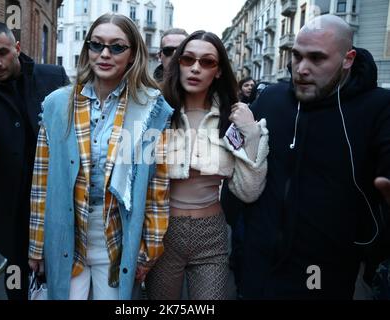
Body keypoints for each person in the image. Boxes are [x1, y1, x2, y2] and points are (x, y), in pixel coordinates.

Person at [221, 14, 390, 299]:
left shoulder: (377, 108)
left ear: (347, 59)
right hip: (256, 264)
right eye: (296, 56)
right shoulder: (272, 99)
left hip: (323, 271)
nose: (301, 68)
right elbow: (239, 161)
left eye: (317, 58)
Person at [28, 13, 173, 300]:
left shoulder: (150, 109)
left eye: (117, 47)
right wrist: (36, 245)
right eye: (97, 45)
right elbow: (41, 179)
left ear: (132, 55)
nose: (105, 54)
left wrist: (150, 248)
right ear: (87, 50)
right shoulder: (57, 104)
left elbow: (157, 184)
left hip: (117, 237)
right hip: (66, 231)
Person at [145, 30, 269, 300]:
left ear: (220, 70)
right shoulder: (155, 113)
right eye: (188, 59)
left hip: (212, 232)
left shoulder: (234, 119)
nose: (196, 68)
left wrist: (251, 132)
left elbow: (249, 191)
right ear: (178, 63)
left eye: (207, 62)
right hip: (162, 231)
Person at [0, 22, 69, 300]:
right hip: (12, 207)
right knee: (17, 281)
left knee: (63, 277)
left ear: (17, 48)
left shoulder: (52, 76)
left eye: (2, 53)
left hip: (56, 198)